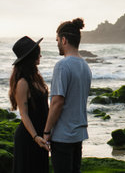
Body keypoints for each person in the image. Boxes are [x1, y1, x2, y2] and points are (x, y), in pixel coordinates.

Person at [43, 18, 92, 173]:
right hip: (78, 134)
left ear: (64, 40)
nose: (57, 43)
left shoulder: (62, 66)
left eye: (57, 40)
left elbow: (58, 102)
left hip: (63, 135)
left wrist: (46, 131)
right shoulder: (85, 66)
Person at [9, 36, 50, 173]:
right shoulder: (23, 82)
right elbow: (24, 114)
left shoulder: (36, 78)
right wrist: (35, 137)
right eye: (38, 53)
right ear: (31, 57)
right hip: (29, 137)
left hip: (41, 135)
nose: (40, 55)